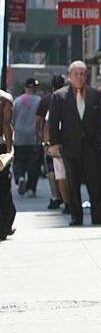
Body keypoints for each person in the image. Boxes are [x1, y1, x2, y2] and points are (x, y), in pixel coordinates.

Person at [47, 61, 101, 226]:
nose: (80, 77)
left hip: (91, 146)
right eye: (76, 74)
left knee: (96, 182)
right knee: (73, 183)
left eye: (83, 74)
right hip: (70, 146)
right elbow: (53, 123)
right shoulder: (59, 96)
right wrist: (54, 144)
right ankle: (76, 216)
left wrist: (100, 142)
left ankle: (99, 216)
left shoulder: (96, 95)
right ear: (70, 76)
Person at [37, 75, 67, 212]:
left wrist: (44, 141)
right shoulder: (68, 97)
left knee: (52, 170)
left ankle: (55, 196)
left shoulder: (46, 99)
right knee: (64, 172)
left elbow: (44, 123)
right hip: (66, 140)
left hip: (52, 141)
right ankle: (65, 199)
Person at [12, 78, 41, 198]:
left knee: (18, 161)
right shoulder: (40, 101)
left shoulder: (17, 101)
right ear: (35, 88)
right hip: (34, 137)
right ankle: (31, 189)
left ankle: (20, 178)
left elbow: (12, 119)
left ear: (25, 88)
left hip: (19, 137)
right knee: (33, 164)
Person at [0, 90, 15, 240]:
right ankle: (4, 226)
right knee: (3, 186)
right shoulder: (5, 98)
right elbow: (6, 125)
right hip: (0, 147)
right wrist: (9, 150)